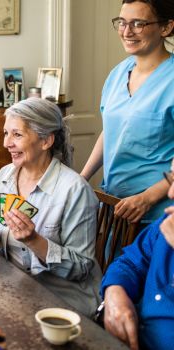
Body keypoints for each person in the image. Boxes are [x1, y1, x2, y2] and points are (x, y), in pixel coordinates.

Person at [0, 98, 102, 317]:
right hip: (14, 288)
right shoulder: (4, 176)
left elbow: (81, 267)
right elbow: (3, 249)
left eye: (17, 134)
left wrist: (34, 241)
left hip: (62, 302)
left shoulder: (75, 190)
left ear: (46, 141)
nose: (6, 143)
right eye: (6, 133)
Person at [81, 0, 174, 226]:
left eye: (138, 23)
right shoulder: (117, 74)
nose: (126, 31)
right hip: (114, 208)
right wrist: (80, 180)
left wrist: (147, 198)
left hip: (158, 215)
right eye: (122, 22)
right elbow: (111, 132)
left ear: (166, 27)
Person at [100, 159, 174, 350]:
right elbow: (130, 262)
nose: (171, 193)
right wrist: (115, 291)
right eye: (172, 178)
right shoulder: (167, 220)